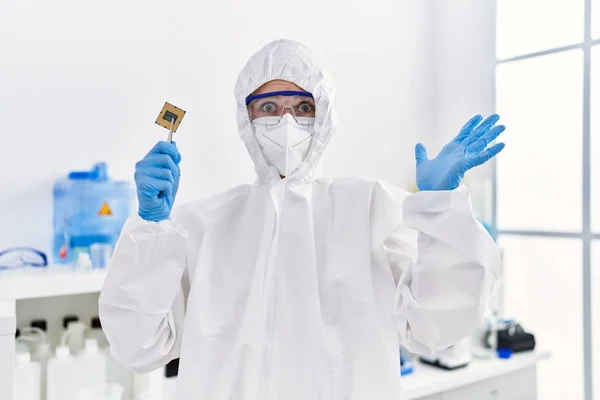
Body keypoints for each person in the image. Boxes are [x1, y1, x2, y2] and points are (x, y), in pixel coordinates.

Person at [99, 39, 506, 399]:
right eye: (269, 107)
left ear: (324, 114)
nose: (288, 122)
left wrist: (439, 206)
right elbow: (139, 345)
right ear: (246, 118)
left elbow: (438, 323)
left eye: (303, 107)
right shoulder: (204, 225)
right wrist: (151, 227)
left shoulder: (369, 208)